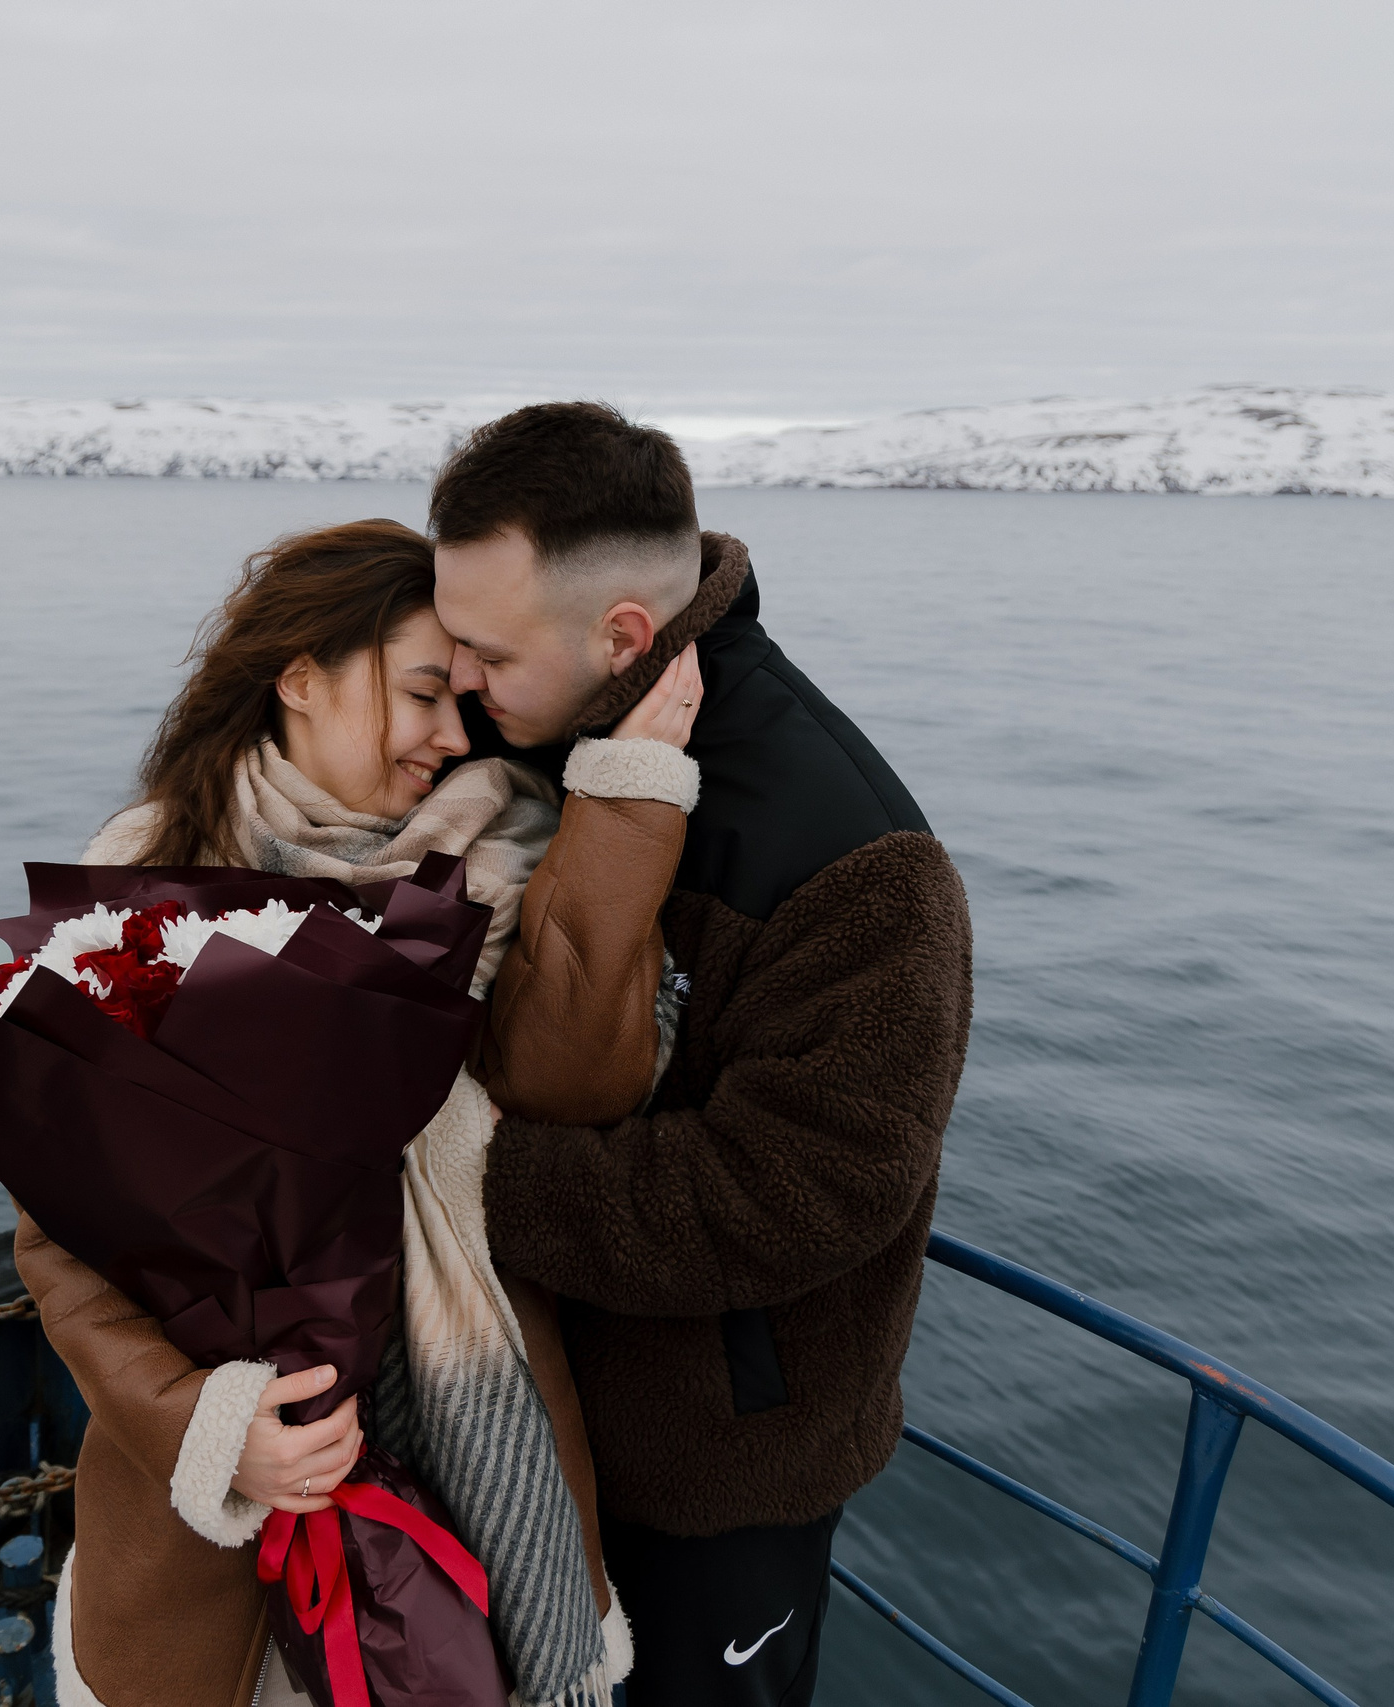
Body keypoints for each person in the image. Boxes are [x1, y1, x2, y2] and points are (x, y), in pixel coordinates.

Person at [15, 518, 700, 1707]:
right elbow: (61, 1240)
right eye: (422, 693)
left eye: (462, 701)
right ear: (298, 678)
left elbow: (575, 1084)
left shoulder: (495, 856)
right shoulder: (143, 887)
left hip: (469, 1469)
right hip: (219, 1525)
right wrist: (212, 1430)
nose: (449, 737)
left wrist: (625, 805)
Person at [436, 404, 975, 1707]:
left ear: (625, 634)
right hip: (515, 1403)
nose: (454, 680)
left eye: (484, 649)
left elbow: (800, 1187)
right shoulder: (527, 737)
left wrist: (465, 1177)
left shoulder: (857, 861)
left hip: (717, 1473)